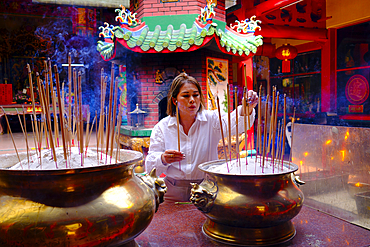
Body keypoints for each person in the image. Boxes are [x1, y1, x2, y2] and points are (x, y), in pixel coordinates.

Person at [145, 72, 258, 202]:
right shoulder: (162, 127)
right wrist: (163, 158)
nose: (192, 100)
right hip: (173, 189)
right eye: (186, 96)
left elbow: (235, 124)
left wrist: (247, 107)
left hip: (207, 188)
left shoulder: (212, 120)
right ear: (174, 100)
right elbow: (150, 167)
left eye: (195, 95)